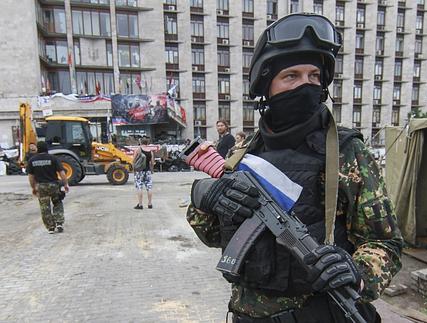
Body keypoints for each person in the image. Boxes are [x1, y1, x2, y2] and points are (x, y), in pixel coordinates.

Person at [187, 13, 403, 322]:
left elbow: (386, 241)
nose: (306, 84)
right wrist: (205, 195)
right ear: (266, 83)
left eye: (313, 76)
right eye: (292, 76)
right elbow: (212, 234)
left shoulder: (347, 152)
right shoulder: (244, 152)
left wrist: (358, 270)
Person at [27, 141, 69, 234]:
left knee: (44, 207)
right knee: (57, 202)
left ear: (37, 149)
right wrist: (65, 184)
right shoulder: (53, 158)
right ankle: (59, 222)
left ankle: (50, 227)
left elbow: (31, 177)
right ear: (47, 149)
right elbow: (62, 173)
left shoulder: (32, 160)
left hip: (41, 186)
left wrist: (33, 188)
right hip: (53, 185)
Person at [133, 137, 155, 209]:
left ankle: (140, 204)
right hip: (147, 171)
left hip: (139, 171)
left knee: (139, 187)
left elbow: (133, 160)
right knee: (149, 187)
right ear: (147, 143)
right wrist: (151, 170)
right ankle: (150, 204)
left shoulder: (138, 150)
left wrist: (134, 169)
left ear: (140, 142)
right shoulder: (150, 151)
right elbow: (152, 162)